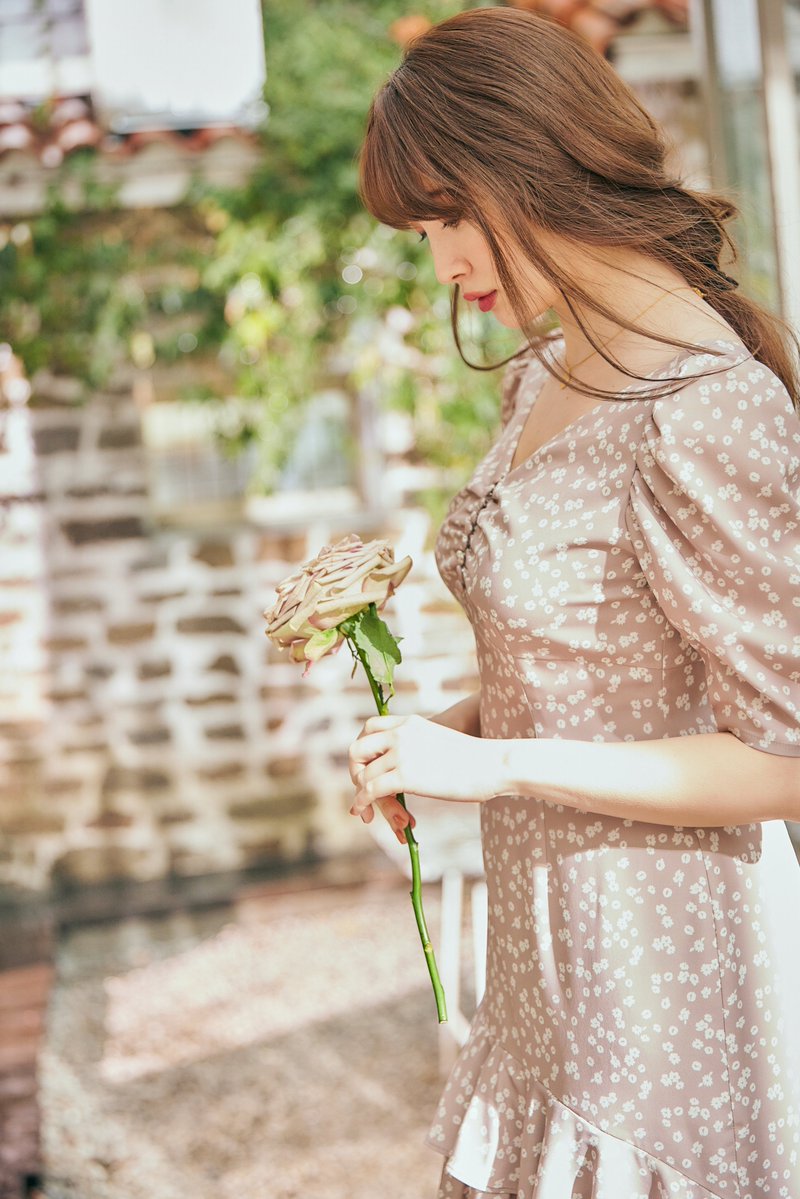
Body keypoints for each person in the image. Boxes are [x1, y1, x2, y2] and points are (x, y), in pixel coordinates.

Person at [347, 9, 800, 1198]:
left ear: (531, 164)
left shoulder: (704, 403)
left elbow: (784, 759)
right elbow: (601, 673)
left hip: (667, 992)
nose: (441, 261)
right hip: (545, 974)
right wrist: (445, 730)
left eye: (445, 213)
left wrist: (492, 768)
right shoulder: (553, 369)